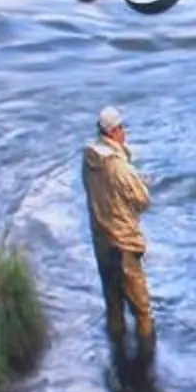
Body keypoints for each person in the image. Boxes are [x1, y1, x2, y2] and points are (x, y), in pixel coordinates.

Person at [82, 105, 154, 354]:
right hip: (123, 245)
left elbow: (105, 189)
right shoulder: (119, 166)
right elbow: (142, 201)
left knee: (113, 304)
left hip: (101, 240)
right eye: (122, 128)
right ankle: (146, 360)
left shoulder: (88, 159)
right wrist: (140, 183)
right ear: (113, 132)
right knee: (142, 311)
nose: (124, 132)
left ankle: (117, 355)